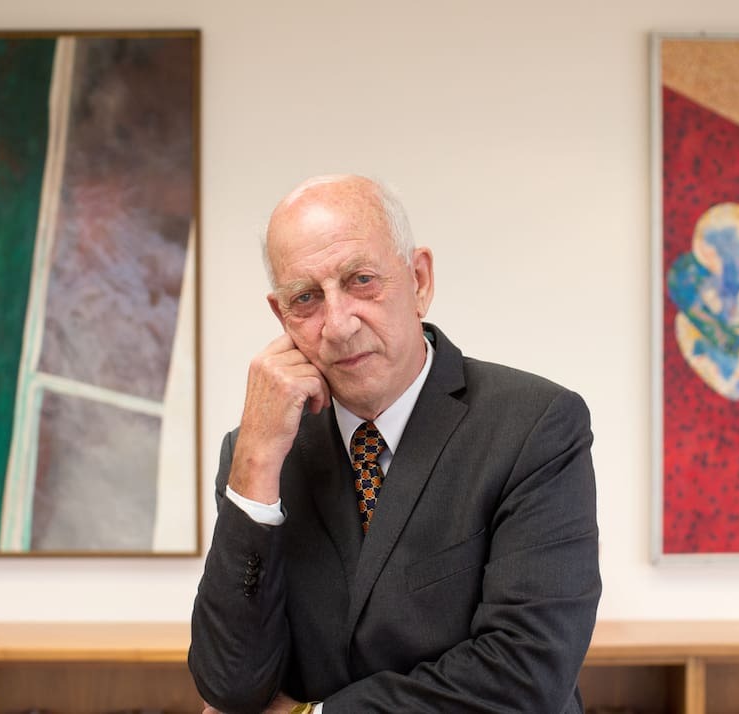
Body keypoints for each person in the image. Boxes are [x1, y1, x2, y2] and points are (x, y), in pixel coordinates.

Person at [189, 175, 601, 713]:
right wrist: (255, 464)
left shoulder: (535, 426)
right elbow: (229, 688)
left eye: (360, 280)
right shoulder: (257, 455)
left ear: (419, 280)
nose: (337, 325)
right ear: (281, 317)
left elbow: (526, 673)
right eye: (306, 298)